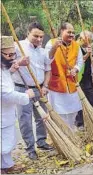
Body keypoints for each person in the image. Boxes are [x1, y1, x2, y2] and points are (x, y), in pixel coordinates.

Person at [12, 22, 53, 160]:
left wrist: (45, 86)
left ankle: (41, 141)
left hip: (40, 88)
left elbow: (48, 70)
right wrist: (19, 63)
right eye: (36, 36)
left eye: (41, 36)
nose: (39, 39)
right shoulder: (17, 46)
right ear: (28, 33)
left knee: (42, 117)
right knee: (25, 120)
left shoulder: (43, 51)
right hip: (22, 88)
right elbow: (6, 65)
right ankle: (30, 148)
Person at [1, 36, 35, 173]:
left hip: (6, 113)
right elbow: (5, 94)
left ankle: (7, 165)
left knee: (7, 140)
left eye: (13, 54)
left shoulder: (3, 67)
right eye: (8, 55)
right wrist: (26, 96)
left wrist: (10, 71)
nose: (11, 58)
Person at [46, 22, 83, 131]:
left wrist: (75, 69)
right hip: (56, 85)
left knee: (73, 110)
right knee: (59, 111)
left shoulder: (76, 45)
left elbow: (80, 61)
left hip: (72, 84)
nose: (71, 35)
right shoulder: (51, 43)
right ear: (62, 31)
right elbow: (47, 59)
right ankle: (61, 131)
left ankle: (71, 130)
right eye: (69, 32)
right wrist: (54, 48)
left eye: (73, 33)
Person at [75, 31, 93, 129]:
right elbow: (79, 62)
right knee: (80, 101)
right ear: (81, 38)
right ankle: (80, 122)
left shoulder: (88, 47)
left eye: (90, 40)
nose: (89, 41)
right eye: (87, 39)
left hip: (88, 77)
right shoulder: (75, 47)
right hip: (79, 78)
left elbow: (91, 61)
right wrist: (87, 54)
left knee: (92, 99)